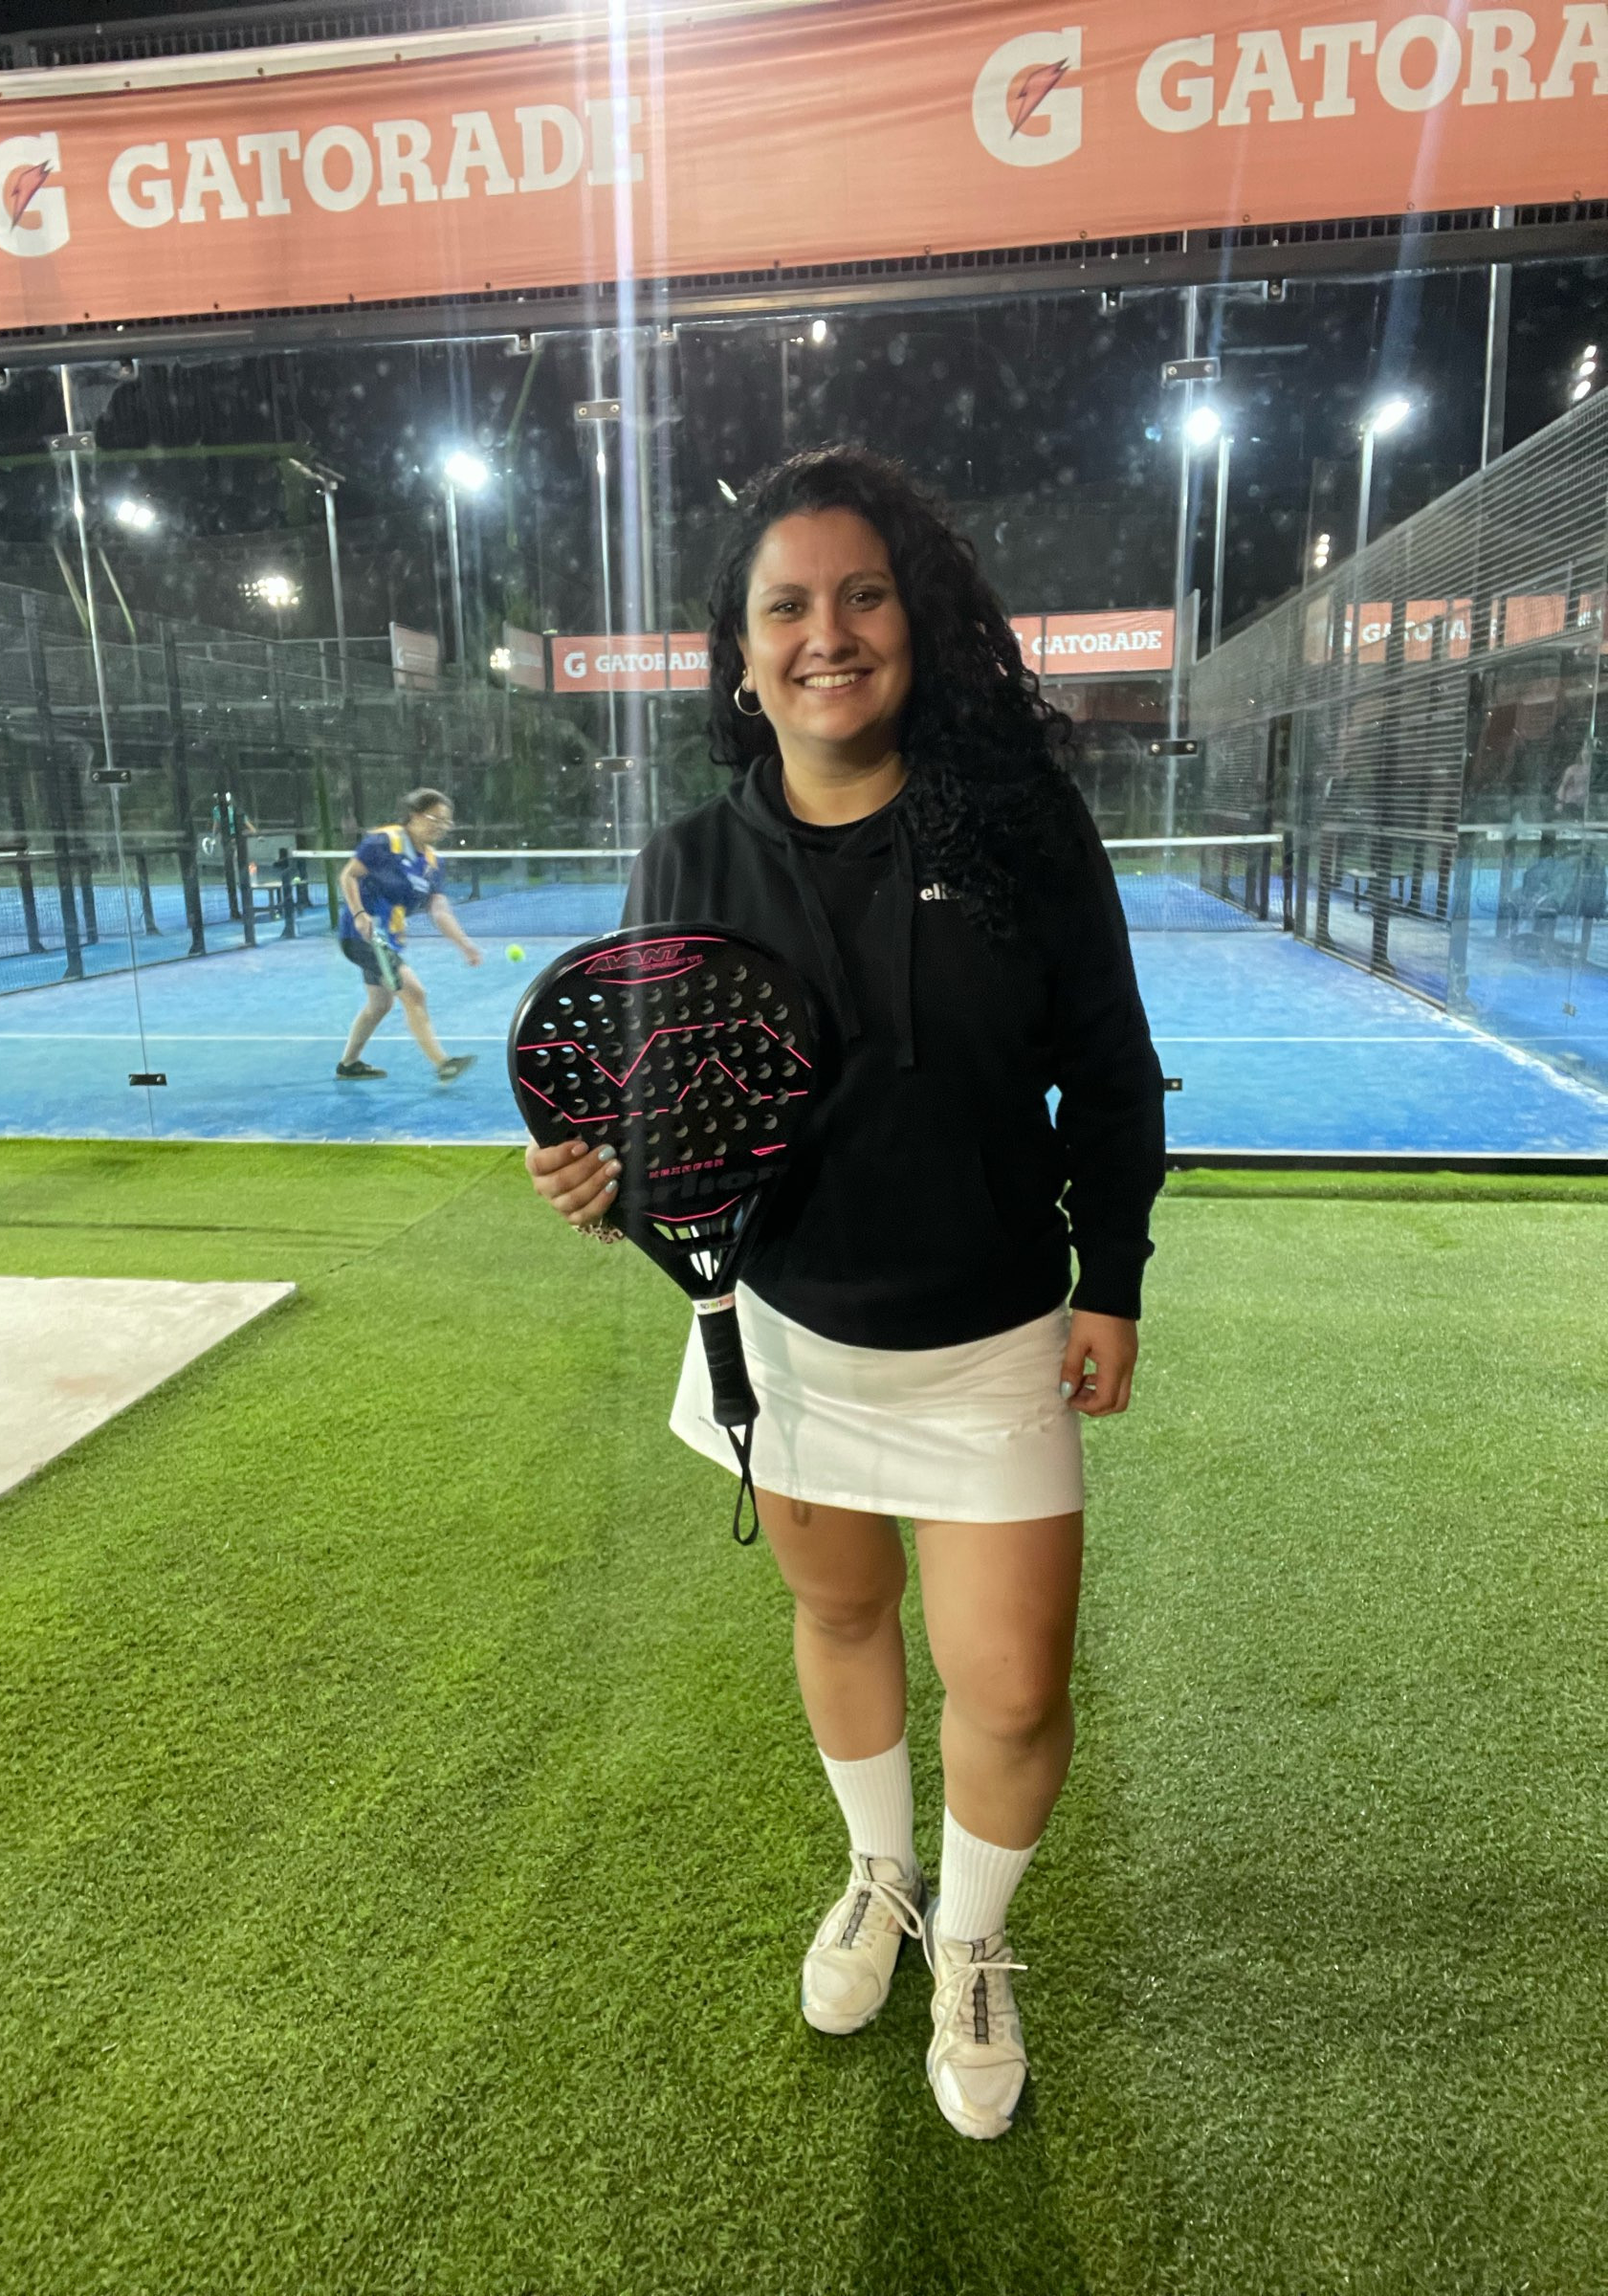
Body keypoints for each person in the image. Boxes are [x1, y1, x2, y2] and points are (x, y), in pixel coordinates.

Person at [524, 447, 1165, 2142]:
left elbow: (1112, 1072)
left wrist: (1112, 1281)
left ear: (916, 619)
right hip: (787, 1336)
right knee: (841, 1615)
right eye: (787, 607)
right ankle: (883, 1875)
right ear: (741, 657)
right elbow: (666, 1121)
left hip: (997, 1336)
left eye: (863, 594)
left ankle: (972, 1941)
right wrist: (602, 1183)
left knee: (1012, 1688)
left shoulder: (1020, 827)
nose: (829, 633)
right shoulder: (686, 860)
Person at [335, 787, 482, 1081]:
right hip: (363, 935)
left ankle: (348, 1064)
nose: (441, 826)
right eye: (435, 818)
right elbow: (348, 875)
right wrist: (359, 913)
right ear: (414, 815)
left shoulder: (433, 863)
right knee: (414, 992)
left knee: (380, 1004)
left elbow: (439, 910)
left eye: (446, 822)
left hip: (388, 939)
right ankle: (442, 1064)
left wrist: (464, 944)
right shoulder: (384, 841)